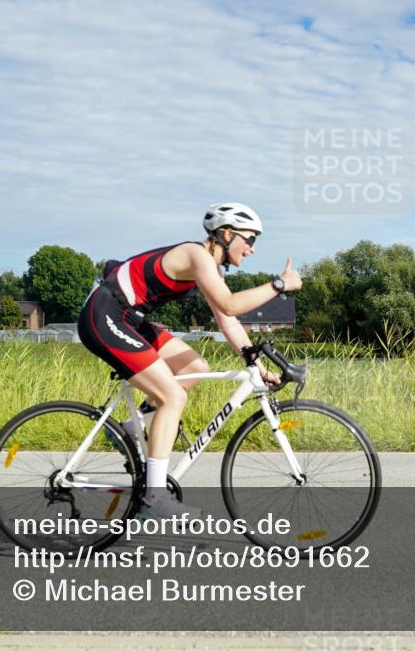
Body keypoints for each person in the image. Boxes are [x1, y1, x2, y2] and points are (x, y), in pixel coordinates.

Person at [77, 203, 301, 520]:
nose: (252, 250)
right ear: (226, 234)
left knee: (195, 368)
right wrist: (278, 285)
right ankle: (154, 499)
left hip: (128, 317)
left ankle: (134, 427)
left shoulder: (209, 267)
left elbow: (227, 320)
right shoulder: (197, 255)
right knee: (173, 395)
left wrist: (257, 365)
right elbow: (231, 304)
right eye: (250, 240)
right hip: (105, 314)